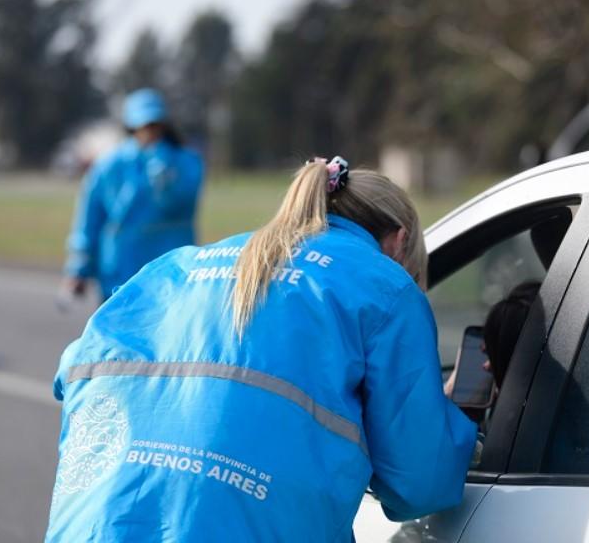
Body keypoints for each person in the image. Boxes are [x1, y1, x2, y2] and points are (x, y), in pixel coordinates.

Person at [45, 157, 477, 542]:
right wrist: (441, 417)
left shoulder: (178, 264)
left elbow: (75, 371)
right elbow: (420, 485)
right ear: (399, 243)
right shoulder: (386, 286)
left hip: (91, 525)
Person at [61, 88, 203, 302]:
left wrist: (163, 175)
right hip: (120, 270)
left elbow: (182, 202)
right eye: (143, 125)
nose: (150, 131)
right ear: (131, 126)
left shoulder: (186, 161)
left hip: (173, 269)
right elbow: (90, 218)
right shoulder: (109, 166)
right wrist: (78, 267)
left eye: (154, 124)